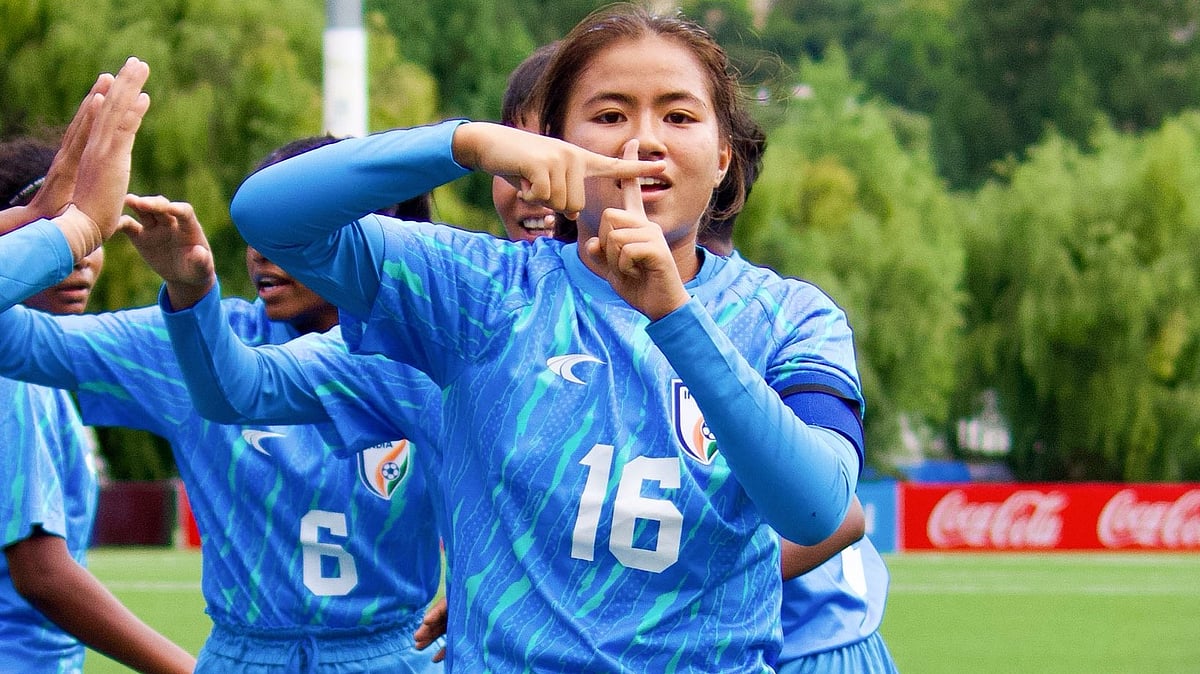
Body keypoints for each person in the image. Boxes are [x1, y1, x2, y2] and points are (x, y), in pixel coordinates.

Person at [213, 5, 864, 670]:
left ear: (724, 156)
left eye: (679, 116)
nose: (644, 142)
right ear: (552, 143)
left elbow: (818, 510)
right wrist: (465, 144)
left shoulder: (793, 318)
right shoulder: (479, 293)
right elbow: (267, 214)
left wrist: (674, 313)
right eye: (609, 116)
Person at [0, 137, 446, 673]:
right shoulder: (189, 337)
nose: (262, 249)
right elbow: (12, 338)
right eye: (256, 229)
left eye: (292, 226)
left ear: (369, 237)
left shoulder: (430, 356)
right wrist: (50, 226)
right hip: (241, 657)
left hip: (399, 656)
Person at [0, 135, 194, 672]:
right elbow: (41, 573)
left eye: (96, 232)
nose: (81, 258)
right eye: (59, 232)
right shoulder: (16, 379)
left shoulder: (47, 365)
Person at [0, 56, 150, 313]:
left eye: (94, 242)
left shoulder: (102, 343)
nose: (79, 258)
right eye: (50, 228)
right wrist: (79, 229)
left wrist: (188, 289)